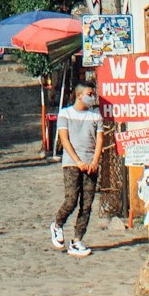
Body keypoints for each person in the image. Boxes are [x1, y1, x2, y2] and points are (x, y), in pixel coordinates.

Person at [50, 83, 103, 257]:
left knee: (86, 205)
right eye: (89, 93)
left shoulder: (95, 116)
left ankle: (77, 240)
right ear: (79, 95)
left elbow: (100, 140)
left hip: (90, 164)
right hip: (72, 163)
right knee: (71, 199)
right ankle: (57, 224)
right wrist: (78, 161)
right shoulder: (65, 113)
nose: (92, 96)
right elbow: (64, 140)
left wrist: (94, 161)